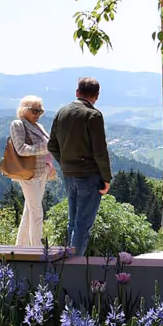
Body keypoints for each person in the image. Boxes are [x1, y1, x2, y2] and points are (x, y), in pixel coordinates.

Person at [48, 77, 112, 256]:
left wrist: (65, 163)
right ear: (96, 96)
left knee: (72, 221)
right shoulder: (93, 115)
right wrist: (107, 178)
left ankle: (69, 258)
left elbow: (51, 145)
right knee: (83, 224)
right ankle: (74, 262)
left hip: (68, 174)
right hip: (89, 175)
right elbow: (100, 151)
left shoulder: (61, 112)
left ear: (77, 93)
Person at [8, 96, 53, 247]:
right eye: (35, 111)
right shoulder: (18, 124)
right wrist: (46, 147)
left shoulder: (38, 126)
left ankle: (20, 246)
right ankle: (37, 248)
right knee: (37, 211)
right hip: (29, 174)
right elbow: (21, 149)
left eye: (41, 111)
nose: (38, 114)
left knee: (30, 210)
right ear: (24, 110)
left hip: (42, 172)